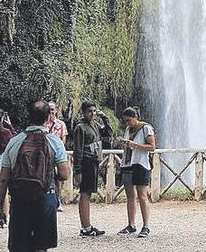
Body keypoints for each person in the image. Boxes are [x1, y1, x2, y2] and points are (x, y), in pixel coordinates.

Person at [0, 100, 70, 252]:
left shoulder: (14, 142)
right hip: (46, 197)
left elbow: (3, 179)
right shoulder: (55, 142)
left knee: (20, 247)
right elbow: (64, 174)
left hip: (20, 198)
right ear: (48, 117)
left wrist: (0, 209)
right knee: (41, 247)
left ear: (27, 116)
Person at [72, 101, 111, 237]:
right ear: (83, 112)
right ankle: (86, 227)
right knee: (85, 193)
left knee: (87, 193)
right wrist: (77, 171)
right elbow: (78, 150)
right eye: (90, 111)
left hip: (94, 162)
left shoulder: (94, 125)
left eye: (94, 111)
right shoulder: (80, 128)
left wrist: (104, 117)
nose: (92, 114)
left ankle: (86, 226)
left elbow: (108, 133)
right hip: (86, 163)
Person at [117, 107, 156, 238]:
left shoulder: (146, 128)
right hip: (127, 163)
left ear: (135, 117)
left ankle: (146, 226)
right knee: (130, 196)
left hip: (140, 164)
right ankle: (131, 225)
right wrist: (124, 143)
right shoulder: (128, 129)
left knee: (142, 196)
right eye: (125, 121)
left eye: (129, 120)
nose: (127, 123)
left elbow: (152, 147)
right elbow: (129, 145)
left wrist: (136, 146)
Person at [44, 102, 68, 212]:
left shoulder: (61, 124)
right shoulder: (43, 124)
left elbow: (63, 140)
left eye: (53, 109)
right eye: (49, 109)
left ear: (56, 110)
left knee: (59, 179)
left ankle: (57, 201)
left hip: (57, 154)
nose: (51, 112)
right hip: (45, 155)